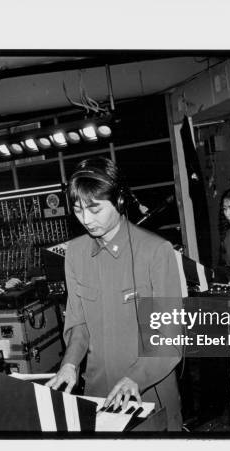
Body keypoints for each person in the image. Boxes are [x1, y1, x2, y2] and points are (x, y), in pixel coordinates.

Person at [45, 157, 183, 431]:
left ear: (119, 201)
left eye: (95, 209)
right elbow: (79, 325)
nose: (86, 219)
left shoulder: (156, 252)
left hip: (149, 396)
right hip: (99, 397)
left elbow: (169, 338)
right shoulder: (74, 254)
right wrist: (70, 363)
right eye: (78, 210)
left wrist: (135, 377)